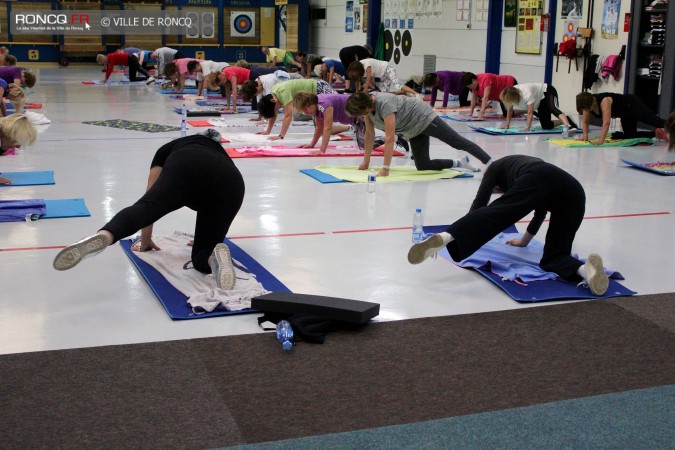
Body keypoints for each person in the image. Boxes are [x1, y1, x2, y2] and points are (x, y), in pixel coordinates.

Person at [52, 132, 244, 291]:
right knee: (203, 252)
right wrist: (206, 236)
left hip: (188, 164)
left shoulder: (166, 150)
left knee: (146, 207)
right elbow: (212, 191)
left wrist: (145, 239)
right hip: (231, 180)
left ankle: (105, 235)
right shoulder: (218, 150)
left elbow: (149, 199)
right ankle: (213, 258)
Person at [407, 155, 610, 297]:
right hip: (574, 192)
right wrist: (524, 241)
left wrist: (457, 233)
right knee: (554, 257)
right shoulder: (520, 164)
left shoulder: (494, 169)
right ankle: (587, 271)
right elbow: (540, 210)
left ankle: (444, 238)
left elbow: (480, 208)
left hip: (540, 175)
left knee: (498, 213)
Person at [345, 92, 491, 177]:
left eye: (358, 114)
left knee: (456, 141)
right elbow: (370, 135)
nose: (359, 117)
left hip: (423, 117)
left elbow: (390, 139)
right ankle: (459, 163)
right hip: (411, 128)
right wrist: (366, 161)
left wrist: (385, 168)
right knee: (423, 165)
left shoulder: (385, 103)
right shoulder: (367, 110)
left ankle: (492, 164)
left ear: (364, 107)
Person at [257, 78, 336, 139]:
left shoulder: (283, 92)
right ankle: (347, 127)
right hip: (314, 96)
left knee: (341, 108)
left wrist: (281, 136)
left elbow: (288, 115)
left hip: (319, 87)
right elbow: (273, 113)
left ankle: (347, 125)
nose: (277, 109)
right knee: (321, 128)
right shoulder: (273, 93)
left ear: (273, 100)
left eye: (276, 108)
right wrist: (268, 131)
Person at [575, 92, 667, 144]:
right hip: (624, 114)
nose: (587, 111)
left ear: (594, 101)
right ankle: (657, 134)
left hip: (632, 105)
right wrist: (585, 136)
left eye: (589, 108)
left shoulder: (604, 101)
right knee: (630, 136)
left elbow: (606, 123)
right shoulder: (587, 105)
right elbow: (585, 122)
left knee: (656, 122)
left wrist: (600, 141)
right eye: (586, 109)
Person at [293, 92, 358, 153]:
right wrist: (312, 144)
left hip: (357, 111)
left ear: (309, 104)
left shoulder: (323, 104)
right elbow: (319, 127)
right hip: (354, 118)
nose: (305, 113)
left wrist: (322, 150)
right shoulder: (316, 107)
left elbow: (327, 129)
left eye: (305, 109)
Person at [500, 84, 578, 131]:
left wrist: (527, 127)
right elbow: (509, 110)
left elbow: (530, 112)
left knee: (553, 107)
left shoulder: (526, 93)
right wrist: (507, 125)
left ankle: (567, 126)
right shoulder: (509, 94)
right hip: (540, 101)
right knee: (546, 125)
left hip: (547, 91)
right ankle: (566, 119)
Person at [347, 59, 418, 96]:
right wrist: (356, 92)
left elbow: (368, 79)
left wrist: (365, 91)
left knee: (397, 85)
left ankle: (416, 94)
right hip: (383, 75)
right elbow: (357, 80)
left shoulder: (366, 65)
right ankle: (404, 93)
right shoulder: (359, 69)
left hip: (388, 68)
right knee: (384, 95)